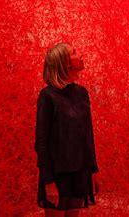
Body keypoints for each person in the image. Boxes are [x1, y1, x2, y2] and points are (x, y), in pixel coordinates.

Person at [35, 42, 100, 217]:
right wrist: (48, 181)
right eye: (74, 52)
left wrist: (93, 170)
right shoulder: (48, 96)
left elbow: (87, 134)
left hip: (79, 170)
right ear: (64, 63)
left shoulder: (81, 93)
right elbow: (41, 143)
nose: (80, 54)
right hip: (57, 174)